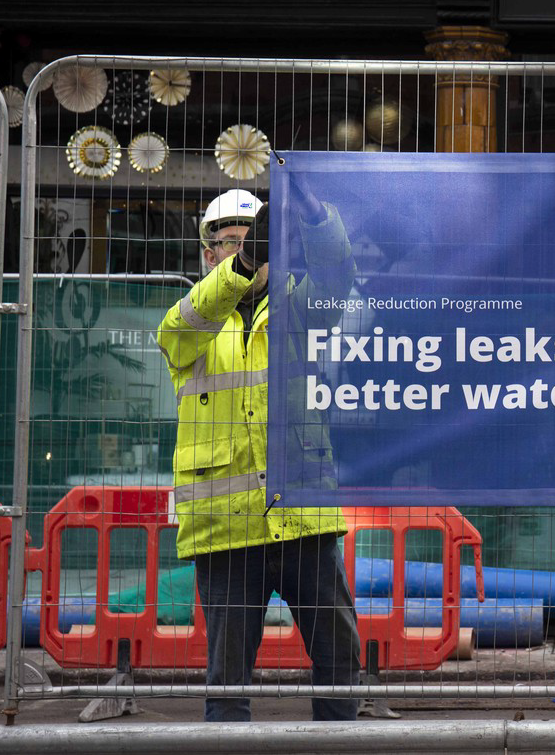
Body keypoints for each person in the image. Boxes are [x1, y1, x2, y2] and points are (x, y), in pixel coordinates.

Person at [158, 185, 360, 722]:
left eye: (258, 240)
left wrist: (318, 214)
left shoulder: (301, 310)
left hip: (303, 518)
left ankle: (341, 741)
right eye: (230, 242)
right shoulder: (187, 324)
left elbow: (339, 280)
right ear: (209, 254)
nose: (246, 250)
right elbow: (190, 319)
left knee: (340, 658)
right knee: (227, 679)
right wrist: (247, 264)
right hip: (226, 529)